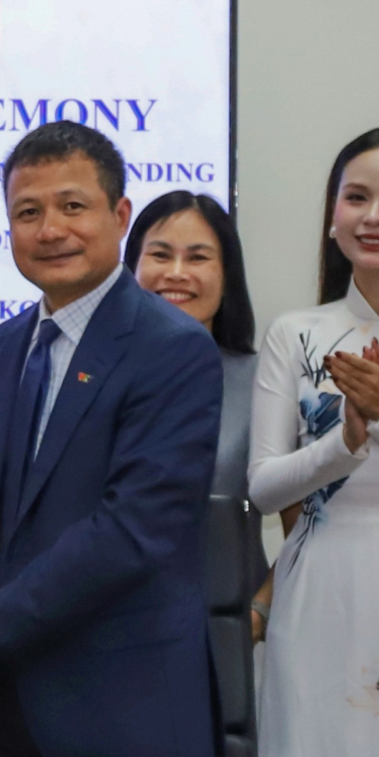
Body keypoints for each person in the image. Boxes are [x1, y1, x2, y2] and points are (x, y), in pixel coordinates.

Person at [0, 121, 223, 757]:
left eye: (73, 206)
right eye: (28, 212)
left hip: (116, 717)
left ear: (120, 215)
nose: (50, 229)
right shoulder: (4, 343)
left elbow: (134, 529)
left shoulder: (174, 348)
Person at [251, 126, 379, 757]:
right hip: (319, 583)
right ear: (331, 215)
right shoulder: (297, 332)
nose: (374, 217)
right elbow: (263, 488)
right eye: (356, 197)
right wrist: (344, 444)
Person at [124, 192, 266, 611]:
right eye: (160, 255)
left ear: (227, 275)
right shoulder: (92, 375)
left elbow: (309, 520)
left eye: (199, 258)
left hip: (222, 627)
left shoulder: (262, 380)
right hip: (105, 628)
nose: (177, 273)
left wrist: (257, 615)